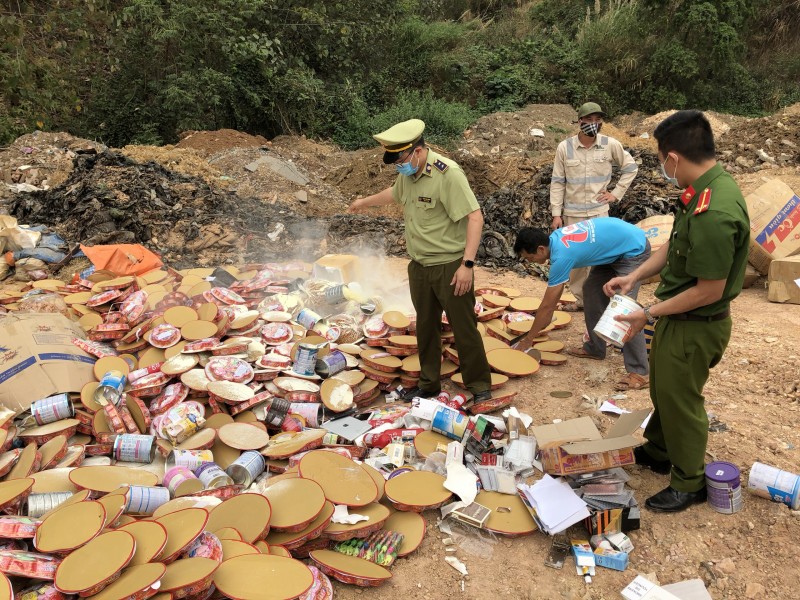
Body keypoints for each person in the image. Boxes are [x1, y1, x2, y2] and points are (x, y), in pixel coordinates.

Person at [604, 110, 750, 513]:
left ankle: (689, 482)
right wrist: (634, 277)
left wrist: (647, 312)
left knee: (682, 402)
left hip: (696, 323)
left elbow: (709, 290)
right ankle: (660, 450)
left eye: (659, 159)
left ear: (672, 158)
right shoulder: (702, 190)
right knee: (663, 390)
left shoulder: (715, 211)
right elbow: (673, 246)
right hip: (677, 317)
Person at [348, 119, 492, 404]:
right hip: (420, 266)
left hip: (450, 267)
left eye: (400, 159)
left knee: (463, 327)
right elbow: (395, 194)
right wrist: (364, 201)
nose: (398, 166)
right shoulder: (409, 173)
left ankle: (479, 386)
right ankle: (429, 384)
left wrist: (467, 265)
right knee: (426, 327)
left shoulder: (448, 174)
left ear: (416, 151)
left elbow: (475, 217)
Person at [512, 218, 651, 391]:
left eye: (530, 257)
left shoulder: (561, 256)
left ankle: (640, 372)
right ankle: (595, 348)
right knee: (592, 291)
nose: (530, 261)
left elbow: (548, 307)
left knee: (625, 308)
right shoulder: (554, 239)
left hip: (632, 249)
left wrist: (528, 339)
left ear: (541, 249)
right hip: (612, 250)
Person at [550, 102, 639, 311]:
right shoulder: (565, 147)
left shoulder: (610, 144)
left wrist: (615, 194)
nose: (593, 124)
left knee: (600, 261)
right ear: (579, 121)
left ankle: (599, 301)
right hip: (572, 215)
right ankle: (582, 301)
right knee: (577, 263)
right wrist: (556, 213)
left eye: (597, 120)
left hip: (599, 214)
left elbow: (631, 168)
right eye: (588, 120)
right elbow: (557, 182)